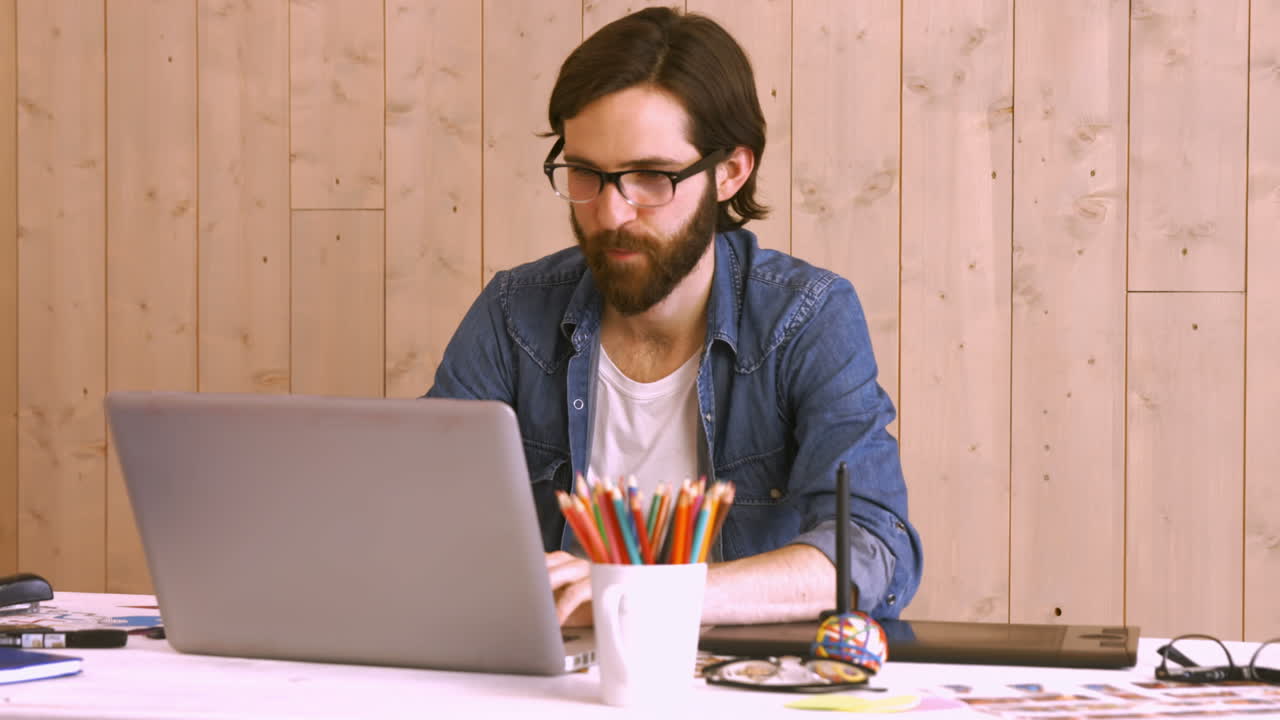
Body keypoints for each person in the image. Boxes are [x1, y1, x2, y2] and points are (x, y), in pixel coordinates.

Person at [426, 7, 921, 626]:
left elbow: (871, 548)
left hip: (739, 685)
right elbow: (424, 520)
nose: (610, 214)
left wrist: (653, 593)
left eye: (651, 177)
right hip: (552, 681)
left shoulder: (806, 316)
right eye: (586, 173)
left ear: (731, 172)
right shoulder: (512, 314)